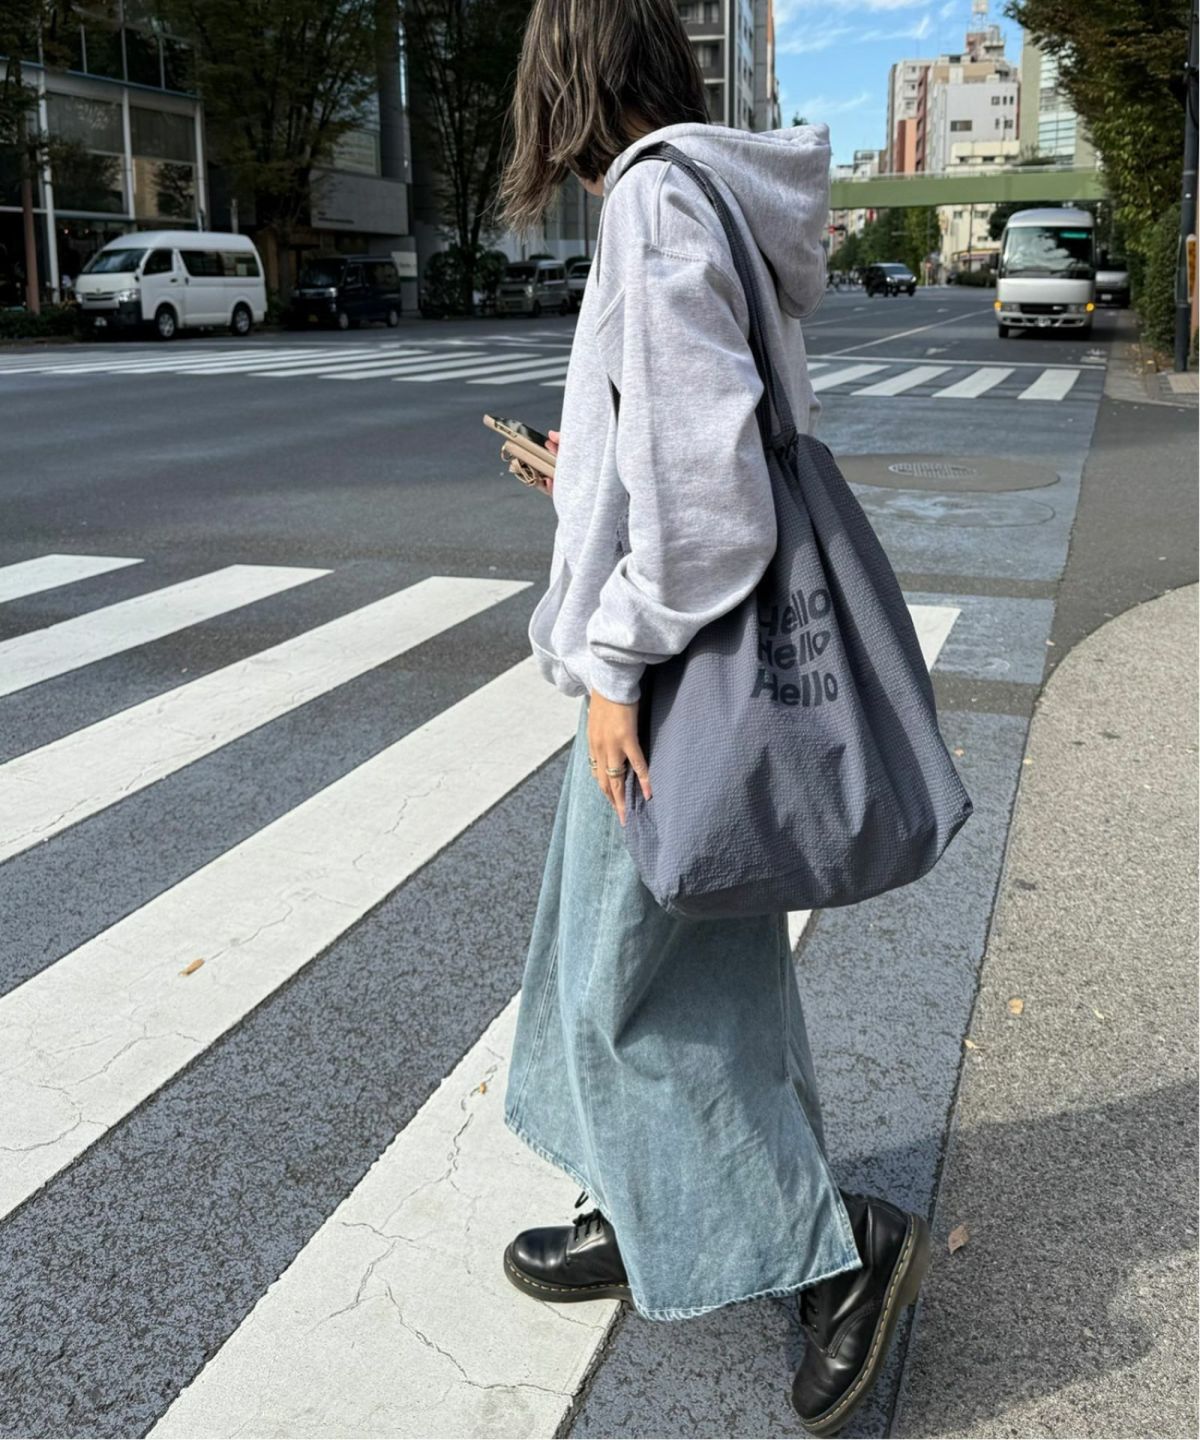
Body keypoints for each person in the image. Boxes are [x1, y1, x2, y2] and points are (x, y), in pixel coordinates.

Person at [491, 1, 930, 1432]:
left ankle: (839, 1254)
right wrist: (590, 472)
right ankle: (648, 1206)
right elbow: (690, 440)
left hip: (674, 673)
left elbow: (714, 503)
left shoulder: (654, 202)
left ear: (567, 81)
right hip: (692, 655)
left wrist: (615, 666)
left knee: (621, 995)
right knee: (694, 971)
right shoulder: (717, 196)